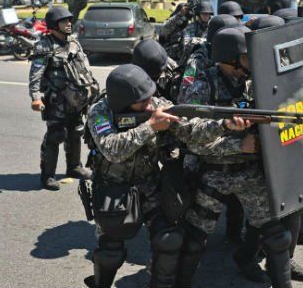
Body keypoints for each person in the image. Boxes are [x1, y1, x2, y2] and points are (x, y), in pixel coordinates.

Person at [84, 64, 248, 288]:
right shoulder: (100, 112)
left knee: (170, 239)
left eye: (150, 97)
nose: (150, 104)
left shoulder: (158, 106)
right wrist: (150, 127)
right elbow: (112, 149)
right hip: (114, 188)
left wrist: (224, 125)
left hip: (149, 185)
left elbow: (192, 131)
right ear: (122, 102)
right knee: (110, 252)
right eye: (142, 101)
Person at [182, 27, 295, 288]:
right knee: (193, 240)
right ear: (230, 58)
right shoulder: (203, 85)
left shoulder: (255, 84)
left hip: (248, 173)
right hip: (213, 172)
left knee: (276, 236)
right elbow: (191, 137)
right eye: (246, 58)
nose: (251, 63)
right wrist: (237, 145)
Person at [28, 6, 98, 190]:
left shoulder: (74, 43)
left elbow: (85, 69)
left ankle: (74, 167)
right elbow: (36, 73)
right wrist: (35, 97)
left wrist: (91, 91)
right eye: (64, 21)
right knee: (56, 135)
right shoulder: (45, 45)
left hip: (75, 99)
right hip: (55, 100)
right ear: (53, 25)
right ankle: (47, 175)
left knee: (76, 131)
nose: (69, 24)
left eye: (69, 20)